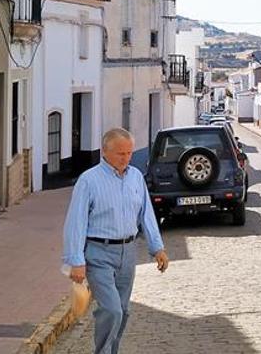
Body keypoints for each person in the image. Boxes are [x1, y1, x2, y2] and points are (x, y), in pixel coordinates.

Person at [62, 128, 169, 354]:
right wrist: (76, 260)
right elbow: (76, 222)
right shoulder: (89, 180)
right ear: (104, 151)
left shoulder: (136, 177)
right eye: (121, 153)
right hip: (98, 253)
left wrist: (157, 247)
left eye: (129, 152)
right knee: (112, 310)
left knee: (123, 310)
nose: (126, 158)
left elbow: (146, 215)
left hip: (128, 252)